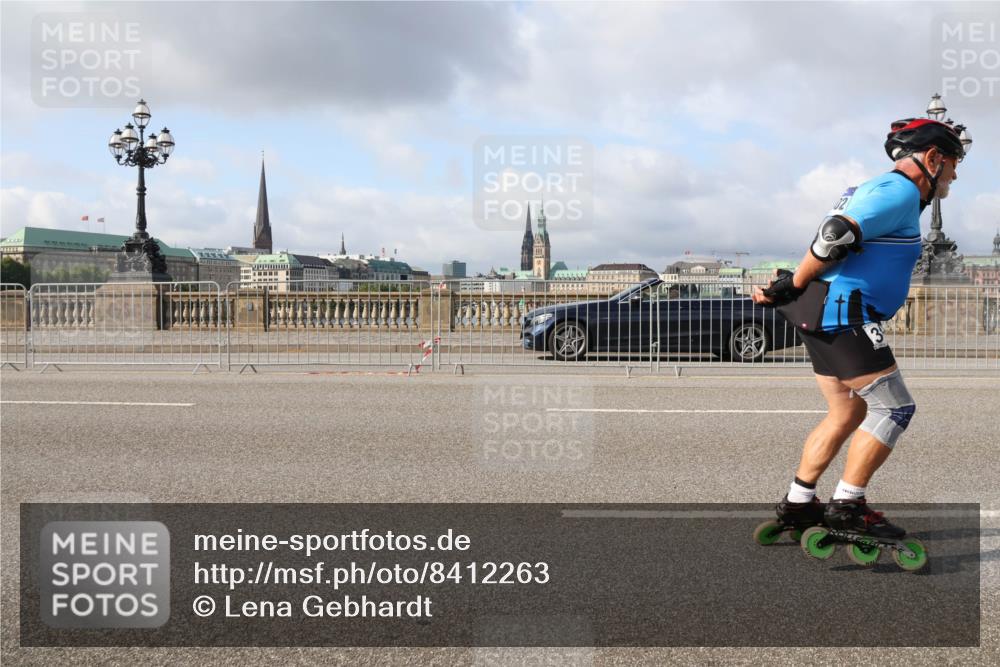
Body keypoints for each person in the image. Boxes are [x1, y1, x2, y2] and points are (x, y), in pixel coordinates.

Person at [751, 117, 966, 538]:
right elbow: (834, 235)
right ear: (933, 158)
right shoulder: (900, 191)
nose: (954, 177)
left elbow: (838, 239)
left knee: (846, 411)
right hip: (846, 315)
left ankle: (799, 503)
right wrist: (793, 283)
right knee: (895, 408)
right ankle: (848, 506)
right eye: (954, 165)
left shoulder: (875, 189)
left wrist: (791, 286)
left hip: (823, 312)